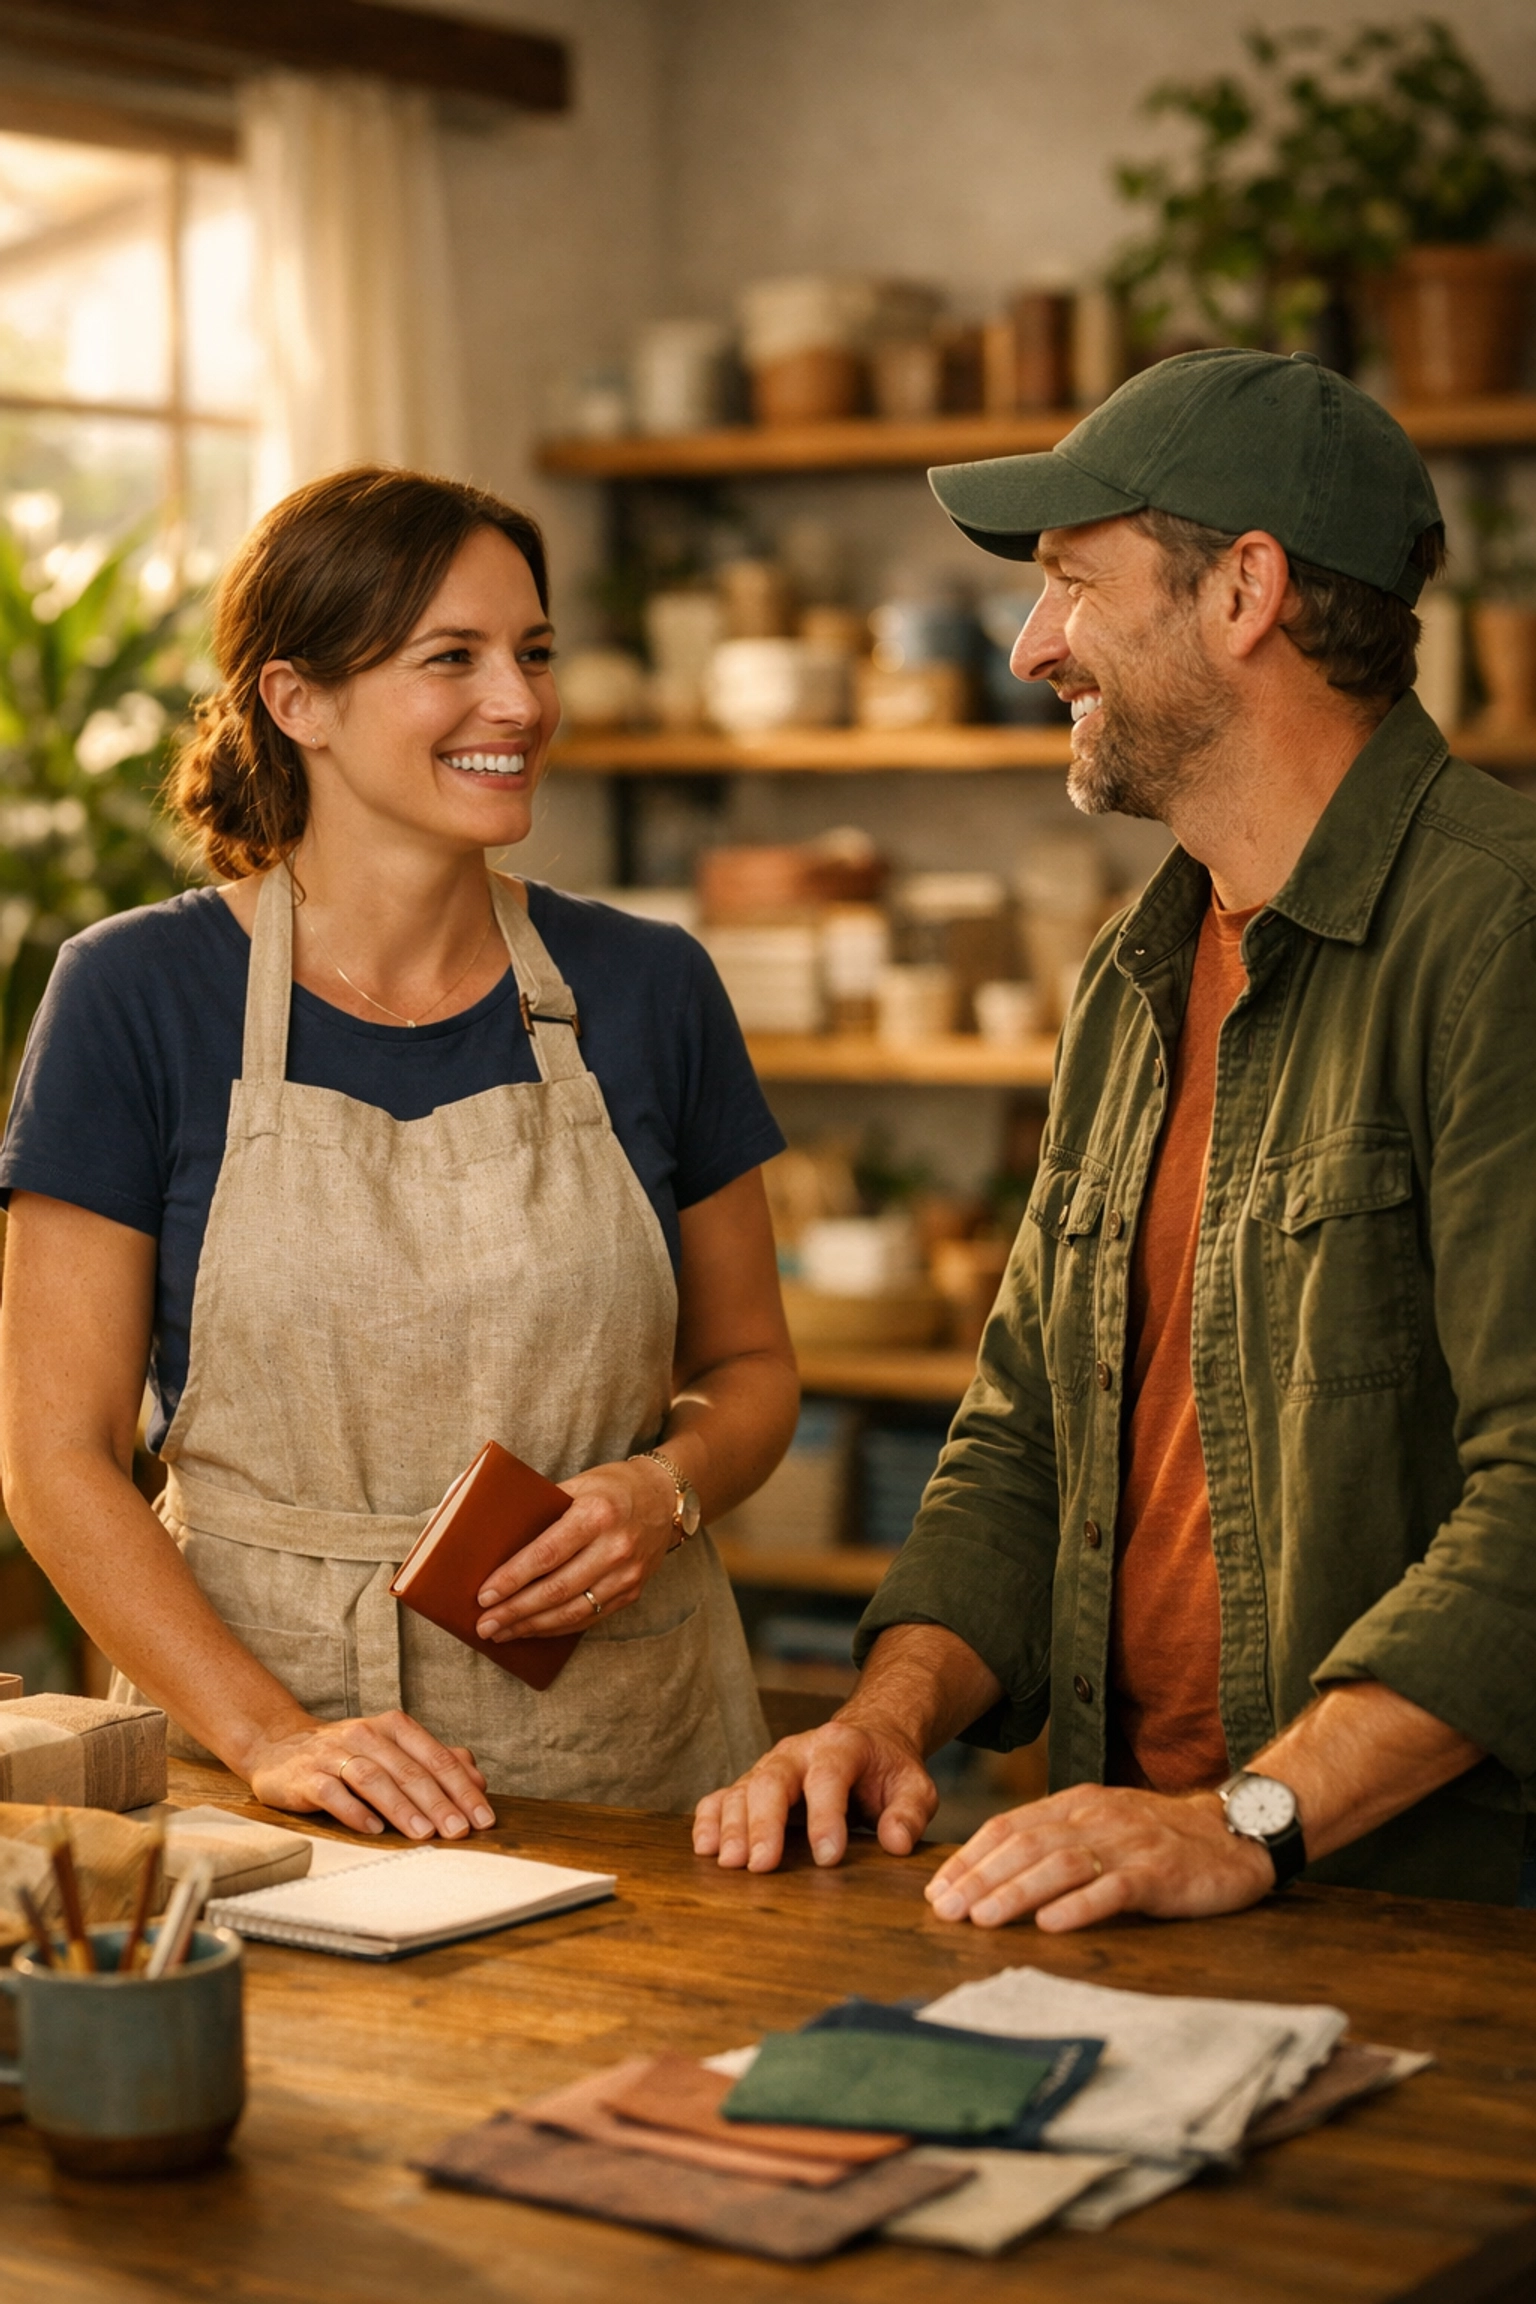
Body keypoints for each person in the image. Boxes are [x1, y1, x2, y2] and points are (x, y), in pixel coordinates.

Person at [695, 348, 1536, 1921]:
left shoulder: (1499, 935)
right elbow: (1026, 1429)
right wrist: (883, 1719)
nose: (1030, 649)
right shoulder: (1133, 977)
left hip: (1428, 1907)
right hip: (1132, 1874)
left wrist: (1250, 1820)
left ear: (1246, 594)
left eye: (1075, 585)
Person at [0, 466, 798, 1841]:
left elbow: (751, 1370)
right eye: (456, 660)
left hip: (631, 1768)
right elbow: (53, 1461)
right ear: (295, 699)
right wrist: (273, 1737)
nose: (521, 703)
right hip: (271, 1781)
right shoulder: (134, 996)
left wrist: (662, 1489)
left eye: (534, 654)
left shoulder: (653, 987)